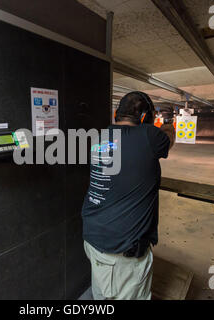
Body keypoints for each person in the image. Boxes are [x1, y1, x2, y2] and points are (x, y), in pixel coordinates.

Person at [82, 91, 175, 300]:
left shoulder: (100, 136)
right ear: (145, 119)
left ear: (116, 114)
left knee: (102, 294)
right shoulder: (150, 137)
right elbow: (169, 137)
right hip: (122, 251)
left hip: (95, 237)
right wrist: (168, 122)